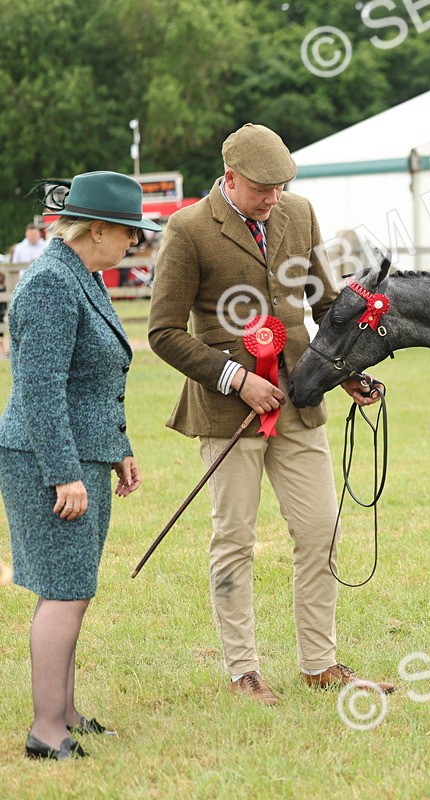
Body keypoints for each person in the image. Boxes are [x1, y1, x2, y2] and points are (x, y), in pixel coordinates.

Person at [147, 123, 393, 704]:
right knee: (234, 537)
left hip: (301, 400)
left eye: (283, 186)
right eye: (264, 188)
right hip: (227, 410)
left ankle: (319, 663)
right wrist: (236, 378)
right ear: (229, 177)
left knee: (319, 530)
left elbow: (327, 305)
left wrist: (347, 371)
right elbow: (162, 332)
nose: (275, 197)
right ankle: (243, 671)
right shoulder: (186, 231)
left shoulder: (299, 212)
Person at [0, 171, 154, 760]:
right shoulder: (50, 285)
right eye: (129, 234)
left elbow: (90, 380)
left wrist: (117, 448)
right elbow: (39, 388)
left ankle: (64, 711)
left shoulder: (77, 275)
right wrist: (64, 472)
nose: (133, 245)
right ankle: (46, 730)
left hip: (82, 452)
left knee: (75, 588)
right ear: (97, 228)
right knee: (63, 592)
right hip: (48, 458)